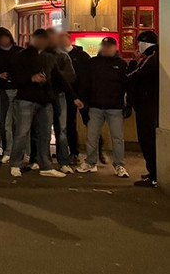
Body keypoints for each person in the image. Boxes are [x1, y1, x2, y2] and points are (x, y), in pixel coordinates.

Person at [8, 29, 82, 178]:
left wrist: (74, 97)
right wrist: (31, 78)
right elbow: (14, 76)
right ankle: (15, 163)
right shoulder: (22, 56)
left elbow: (60, 77)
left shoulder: (49, 57)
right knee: (22, 132)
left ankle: (45, 165)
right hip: (26, 99)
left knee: (45, 134)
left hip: (46, 100)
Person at [78, 36, 128, 177]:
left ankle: (119, 165)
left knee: (117, 138)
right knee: (92, 137)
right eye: (104, 46)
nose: (106, 49)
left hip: (115, 107)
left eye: (109, 46)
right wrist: (84, 100)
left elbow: (126, 85)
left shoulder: (121, 64)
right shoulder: (92, 63)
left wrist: (126, 103)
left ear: (114, 48)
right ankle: (90, 162)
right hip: (95, 106)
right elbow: (86, 83)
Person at [128, 30, 159, 187]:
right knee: (149, 141)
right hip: (151, 106)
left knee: (147, 141)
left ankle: (154, 174)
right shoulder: (157, 57)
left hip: (147, 107)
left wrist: (134, 61)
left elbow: (132, 76)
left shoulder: (150, 60)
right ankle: (153, 172)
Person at [45, 28, 77, 170]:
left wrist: (55, 77)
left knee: (61, 129)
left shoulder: (62, 56)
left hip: (59, 95)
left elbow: (71, 76)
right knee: (45, 129)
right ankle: (44, 161)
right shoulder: (41, 55)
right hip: (45, 96)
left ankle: (63, 160)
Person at [0, 27, 21, 162]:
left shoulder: (19, 51)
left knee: (18, 122)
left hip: (18, 89)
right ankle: (6, 148)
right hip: (2, 89)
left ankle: (17, 150)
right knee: (4, 122)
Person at [64, 33, 91, 164]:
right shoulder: (59, 56)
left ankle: (97, 149)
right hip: (68, 95)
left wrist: (85, 94)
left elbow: (88, 75)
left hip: (83, 95)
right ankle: (74, 152)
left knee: (89, 122)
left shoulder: (82, 56)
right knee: (69, 124)